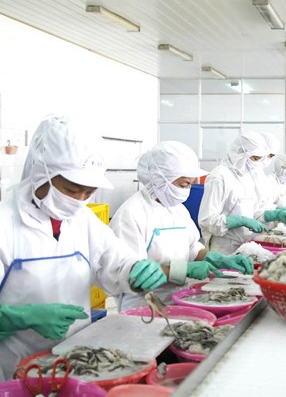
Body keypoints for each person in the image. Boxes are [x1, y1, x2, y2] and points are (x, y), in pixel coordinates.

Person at [0, 116, 165, 380]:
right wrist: (18, 317)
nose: (79, 200)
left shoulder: (83, 219)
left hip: (78, 361)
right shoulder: (6, 224)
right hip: (15, 370)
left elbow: (116, 261)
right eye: (72, 190)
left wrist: (136, 269)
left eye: (88, 193)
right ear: (42, 173)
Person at [110, 141, 253, 311]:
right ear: (159, 179)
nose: (188, 190)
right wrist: (180, 270)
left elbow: (192, 248)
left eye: (191, 184)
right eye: (184, 184)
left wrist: (218, 259)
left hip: (179, 298)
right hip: (144, 307)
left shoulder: (177, 209)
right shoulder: (131, 215)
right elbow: (131, 275)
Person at [199, 132, 286, 254]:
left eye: (260, 159)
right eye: (255, 158)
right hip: (224, 247)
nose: (258, 163)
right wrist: (239, 221)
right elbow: (207, 220)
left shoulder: (246, 177)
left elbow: (254, 212)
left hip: (246, 244)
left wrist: (276, 214)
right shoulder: (219, 177)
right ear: (240, 154)